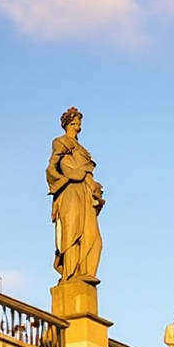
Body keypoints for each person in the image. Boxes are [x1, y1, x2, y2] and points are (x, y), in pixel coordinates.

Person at [48, 107, 102, 289]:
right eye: (76, 121)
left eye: (80, 121)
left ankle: (85, 273)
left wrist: (93, 185)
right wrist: (70, 176)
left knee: (93, 237)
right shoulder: (60, 142)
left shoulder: (82, 149)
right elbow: (52, 169)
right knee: (71, 234)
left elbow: (86, 172)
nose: (79, 124)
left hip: (85, 193)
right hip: (70, 192)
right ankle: (70, 275)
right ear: (69, 123)